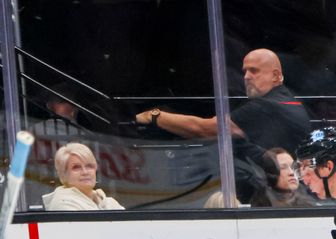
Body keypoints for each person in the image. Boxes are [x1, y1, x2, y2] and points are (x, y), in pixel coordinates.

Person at [134, 48, 312, 202]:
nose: (247, 77)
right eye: (245, 71)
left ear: (276, 76)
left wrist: (155, 116)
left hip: (284, 198)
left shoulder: (267, 107)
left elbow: (204, 129)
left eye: (254, 71)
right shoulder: (285, 101)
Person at [42, 143, 124, 211]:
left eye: (89, 166)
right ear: (63, 174)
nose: (85, 172)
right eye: (76, 167)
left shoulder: (108, 202)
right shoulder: (63, 203)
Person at [249, 148, 316, 208]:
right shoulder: (261, 206)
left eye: (294, 167)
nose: (292, 173)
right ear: (269, 174)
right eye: (283, 168)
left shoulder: (307, 201)